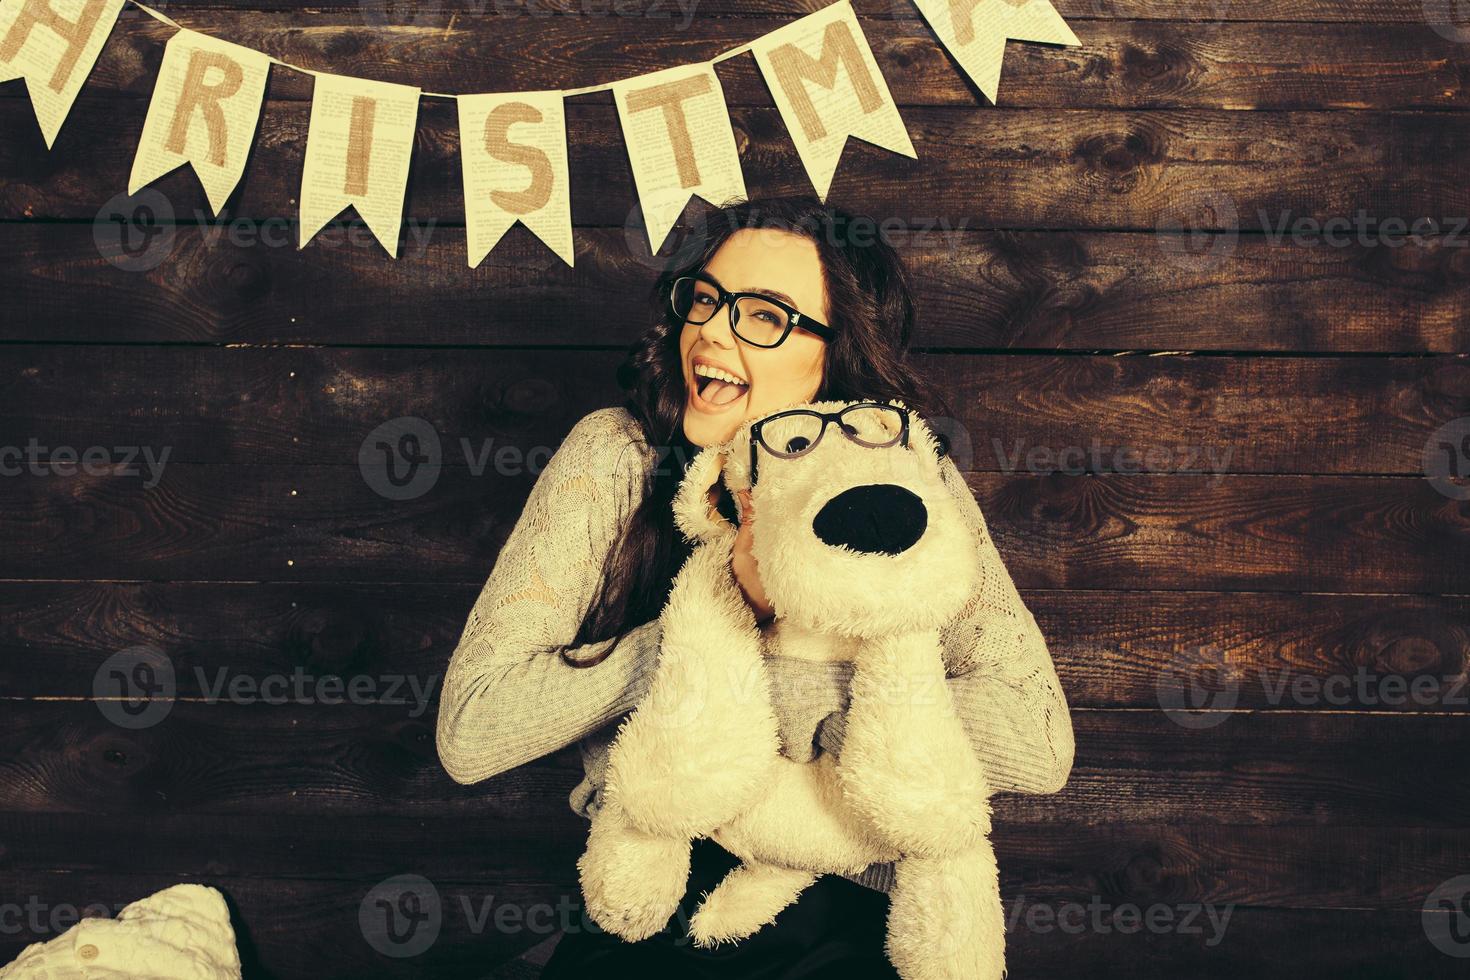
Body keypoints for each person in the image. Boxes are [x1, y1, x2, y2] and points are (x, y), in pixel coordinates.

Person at [435, 195, 1075, 978]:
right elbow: (472, 729)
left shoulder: (906, 471)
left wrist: (795, 688)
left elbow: (1038, 737)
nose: (711, 330)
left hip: (855, 924)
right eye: (707, 299)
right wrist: (705, 630)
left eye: (764, 316)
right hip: (646, 915)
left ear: (834, 354)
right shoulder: (616, 455)